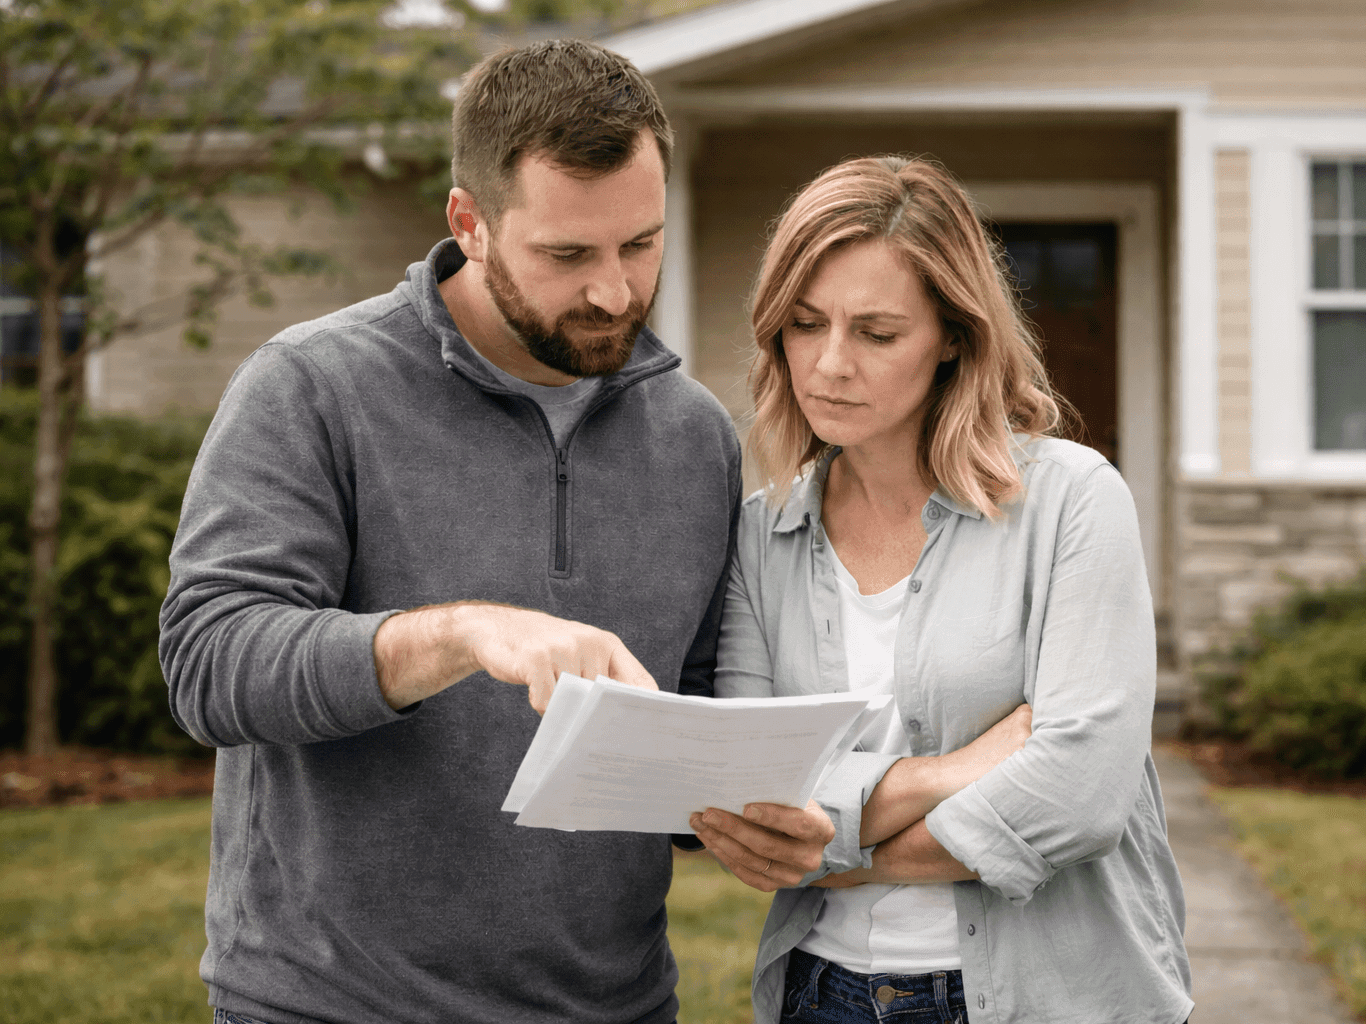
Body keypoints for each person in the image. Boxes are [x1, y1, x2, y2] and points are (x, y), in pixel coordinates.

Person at [159, 39, 831, 1024]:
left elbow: (676, 710)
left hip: (616, 1004)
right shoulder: (312, 387)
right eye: (567, 255)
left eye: (639, 243)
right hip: (334, 1003)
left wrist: (739, 815)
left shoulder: (693, 435)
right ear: (469, 224)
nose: (615, 291)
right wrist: (463, 635)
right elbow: (209, 662)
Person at [687, 156, 1194, 1024]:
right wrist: (948, 773)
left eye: (877, 334)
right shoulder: (758, 536)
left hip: (1055, 999)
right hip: (822, 996)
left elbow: (1081, 799)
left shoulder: (1072, 501)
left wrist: (832, 839)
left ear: (955, 335)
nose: (830, 365)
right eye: (806, 325)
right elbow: (757, 806)